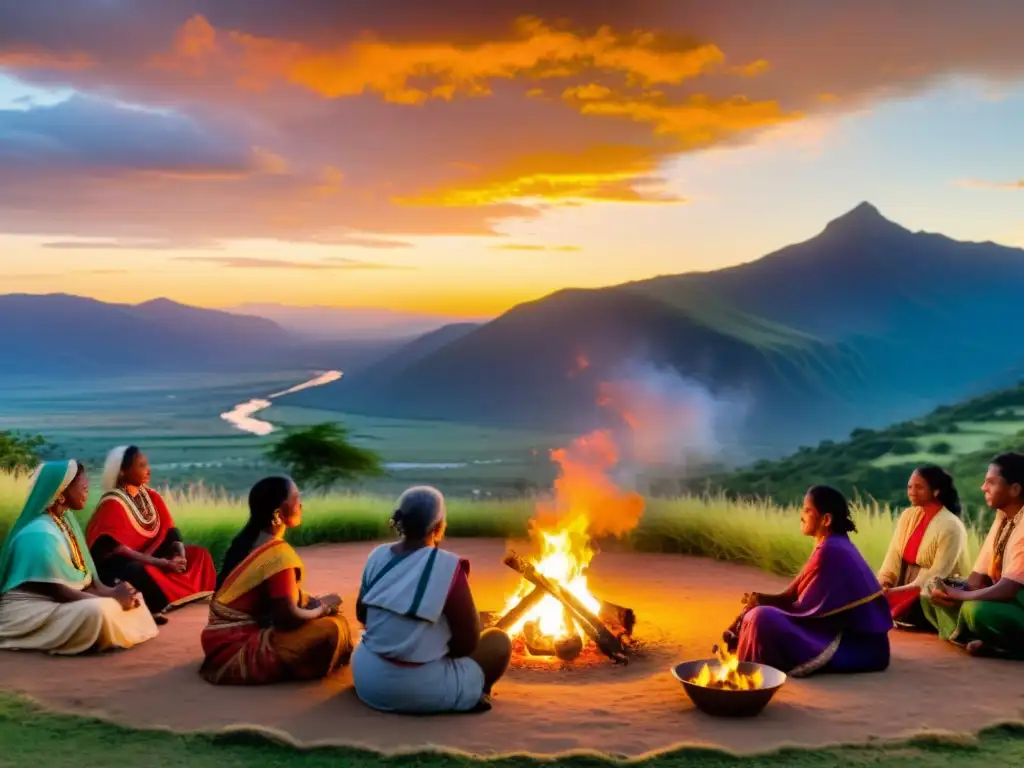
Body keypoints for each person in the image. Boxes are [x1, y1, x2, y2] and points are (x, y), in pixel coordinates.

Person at [352, 486, 513, 713]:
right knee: (498, 641)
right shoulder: (446, 566)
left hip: (368, 678)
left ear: (400, 521)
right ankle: (474, 693)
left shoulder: (377, 555)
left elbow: (363, 615)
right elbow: (466, 644)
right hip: (420, 690)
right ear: (439, 527)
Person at [723, 485, 892, 676]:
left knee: (761, 618)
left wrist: (759, 606)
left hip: (853, 645)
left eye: (807, 510)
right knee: (757, 613)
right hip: (859, 641)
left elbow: (804, 609)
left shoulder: (831, 549)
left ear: (826, 519)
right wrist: (758, 600)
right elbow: (793, 595)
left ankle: (748, 672)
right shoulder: (833, 544)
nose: (801, 515)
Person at [198, 476, 354, 684]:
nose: (301, 505)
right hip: (240, 647)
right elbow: (287, 618)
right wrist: (323, 608)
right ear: (278, 514)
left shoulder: (246, 541)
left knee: (331, 617)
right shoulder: (277, 554)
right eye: (296, 499)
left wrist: (309, 602)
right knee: (332, 627)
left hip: (218, 641)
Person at [0, 460, 159, 654]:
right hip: (31, 609)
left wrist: (116, 591)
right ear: (60, 493)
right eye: (83, 487)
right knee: (97, 611)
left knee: (134, 598)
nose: (87, 491)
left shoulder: (65, 521)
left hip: (61, 601)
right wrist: (114, 598)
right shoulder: (38, 533)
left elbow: (89, 580)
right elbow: (58, 591)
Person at [85, 446, 216, 623]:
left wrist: (179, 557)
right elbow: (116, 549)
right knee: (138, 571)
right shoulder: (113, 503)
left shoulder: (151, 496)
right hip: (124, 563)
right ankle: (154, 606)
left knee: (199, 554)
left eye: (146, 464)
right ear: (123, 472)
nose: (148, 470)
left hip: (155, 558)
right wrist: (162, 562)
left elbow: (171, 533)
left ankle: (179, 595)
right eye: (141, 465)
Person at [920, 452, 1024, 658]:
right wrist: (946, 590)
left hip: (1016, 599)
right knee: (929, 591)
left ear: (1014, 489)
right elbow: (977, 578)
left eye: (991, 483)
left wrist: (962, 595)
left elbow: (1008, 589)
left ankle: (1004, 644)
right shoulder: (1003, 517)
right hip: (1005, 599)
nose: (983, 488)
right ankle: (989, 641)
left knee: (976, 611)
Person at [877, 465, 971, 627]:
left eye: (919, 487)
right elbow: (893, 556)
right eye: (909, 486)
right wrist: (884, 582)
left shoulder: (951, 526)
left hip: (931, 590)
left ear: (936, 491)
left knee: (872, 605)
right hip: (905, 585)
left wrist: (893, 593)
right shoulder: (908, 516)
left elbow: (937, 576)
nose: (912, 491)